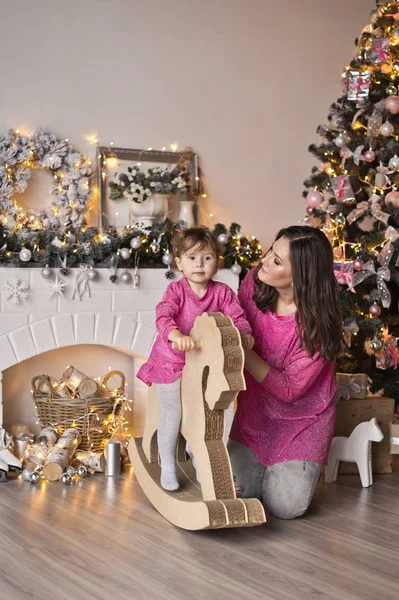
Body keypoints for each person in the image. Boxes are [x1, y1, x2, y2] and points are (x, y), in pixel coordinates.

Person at [228, 225, 342, 519]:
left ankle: (300, 468)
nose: (264, 260)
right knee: (237, 492)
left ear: (300, 278)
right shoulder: (255, 282)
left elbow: (289, 390)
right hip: (254, 419)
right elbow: (234, 316)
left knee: (286, 508)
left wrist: (244, 350)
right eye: (270, 251)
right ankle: (267, 470)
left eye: (277, 261)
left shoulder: (317, 327)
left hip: (302, 424)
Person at [137, 226, 254, 491]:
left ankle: (205, 465)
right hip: (172, 361)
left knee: (216, 412)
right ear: (179, 262)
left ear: (217, 261)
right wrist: (175, 334)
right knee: (172, 413)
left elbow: (237, 317)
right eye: (191, 258)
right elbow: (163, 314)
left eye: (207, 258)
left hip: (202, 364)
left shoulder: (222, 293)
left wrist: (244, 334)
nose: (199, 264)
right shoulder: (176, 291)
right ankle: (168, 464)